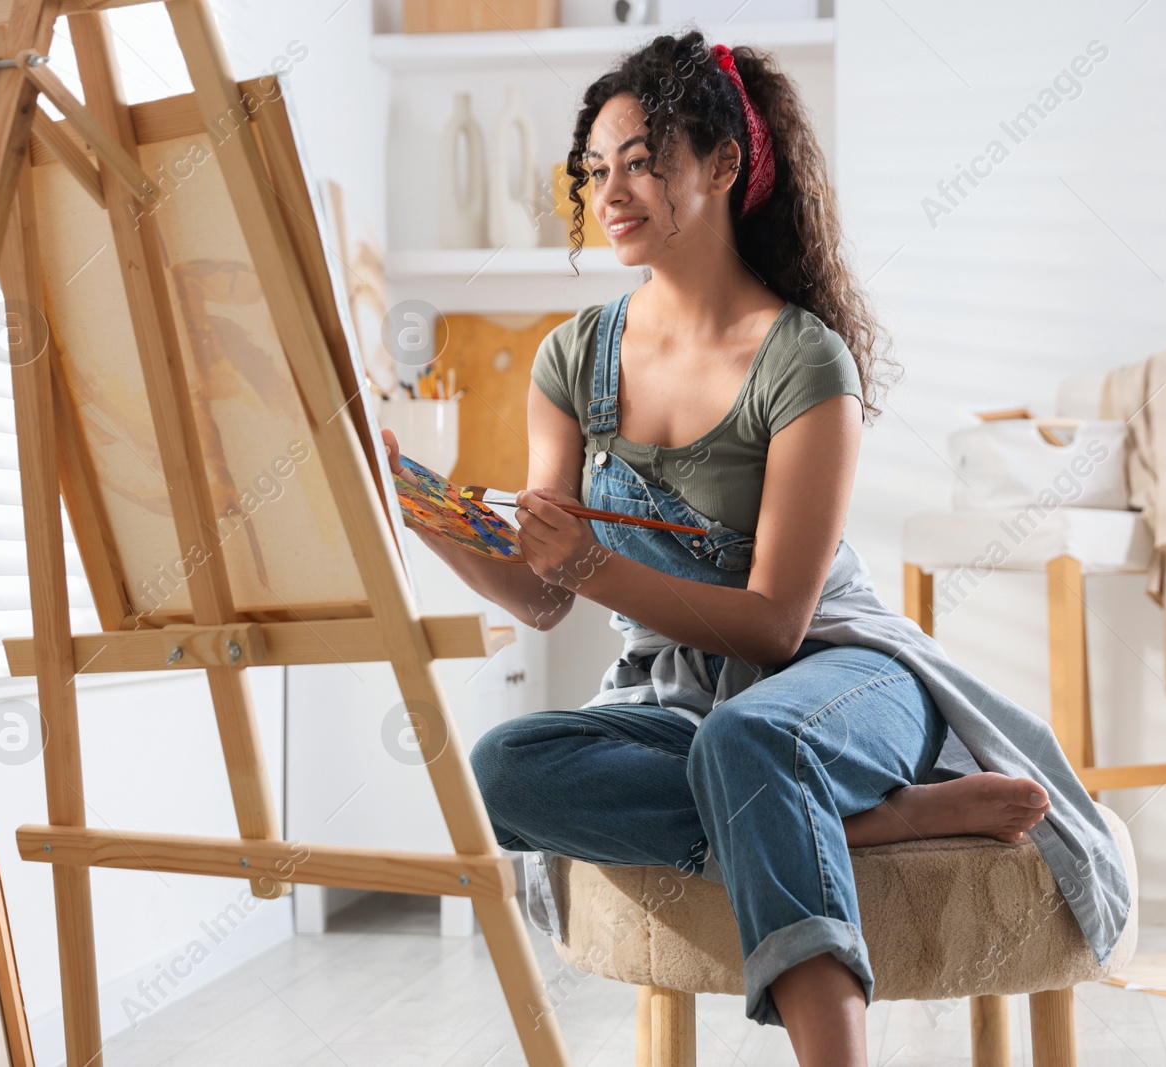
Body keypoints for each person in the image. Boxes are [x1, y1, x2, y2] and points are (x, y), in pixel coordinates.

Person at [383, 30, 1125, 1067]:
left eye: (642, 160)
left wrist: (591, 563)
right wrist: (414, 502)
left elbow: (779, 622)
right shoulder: (571, 356)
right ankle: (867, 819)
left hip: (840, 672)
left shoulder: (804, 358)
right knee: (506, 767)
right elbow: (540, 598)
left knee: (750, 740)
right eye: (596, 170)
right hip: (685, 693)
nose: (613, 191)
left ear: (723, 163)